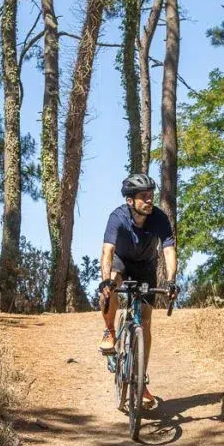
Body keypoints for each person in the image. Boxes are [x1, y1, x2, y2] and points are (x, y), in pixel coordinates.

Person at [98, 173, 178, 408]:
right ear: (130, 200)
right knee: (110, 286)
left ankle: (140, 381)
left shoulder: (159, 218)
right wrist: (105, 281)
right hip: (121, 262)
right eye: (144, 196)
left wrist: (171, 281)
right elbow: (107, 251)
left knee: (145, 320)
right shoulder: (117, 217)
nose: (150, 200)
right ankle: (109, 330)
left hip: (146, 267)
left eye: (151, 195)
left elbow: (169, 250)